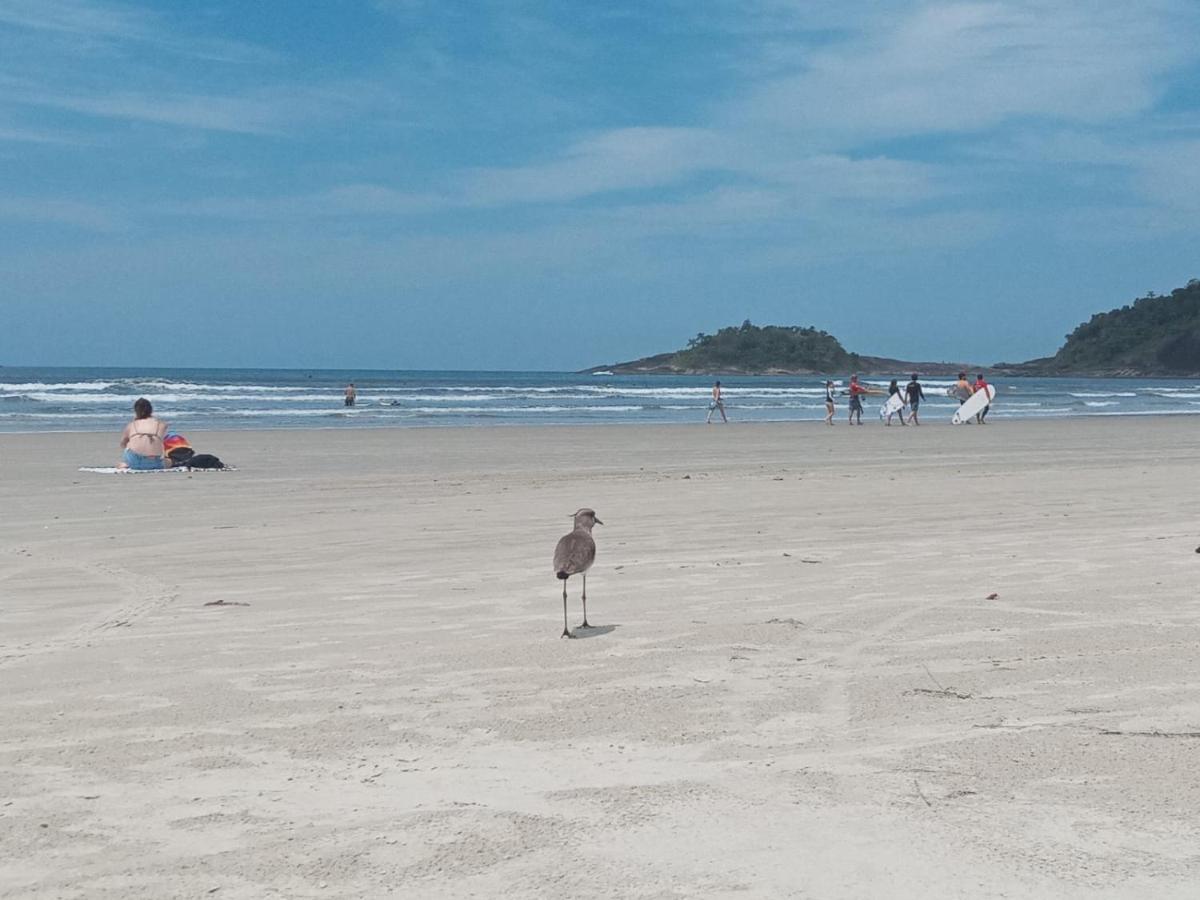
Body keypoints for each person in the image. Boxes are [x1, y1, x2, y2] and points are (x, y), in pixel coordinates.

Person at [119, 398, 171, 470]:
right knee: (169, 461)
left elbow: (123, 444)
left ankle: (125, 464)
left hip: (134, 462)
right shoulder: (161, 424)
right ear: (151, 410)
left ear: (136, 411)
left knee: (128, 445)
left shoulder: (131, 425)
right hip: (155, 463)